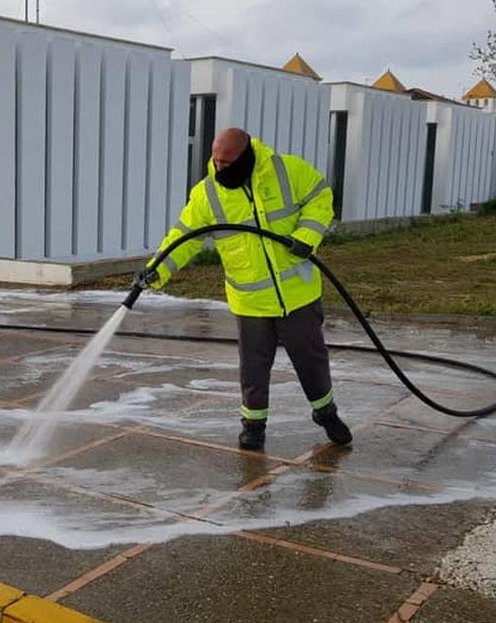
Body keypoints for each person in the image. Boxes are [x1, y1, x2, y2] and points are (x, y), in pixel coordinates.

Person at [143, 127, 351, 452]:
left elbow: (320, 196)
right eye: (216, 161)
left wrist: (307, 236)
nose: (220, 169)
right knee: (253, 368)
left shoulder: (286, 170)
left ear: (246, 155)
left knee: (311, 360)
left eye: (228, 163)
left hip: (297, 293)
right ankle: (253, 426)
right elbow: (183, 237)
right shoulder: (207, 194)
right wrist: (156, 271)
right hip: (250, 300)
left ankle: (326, 413)